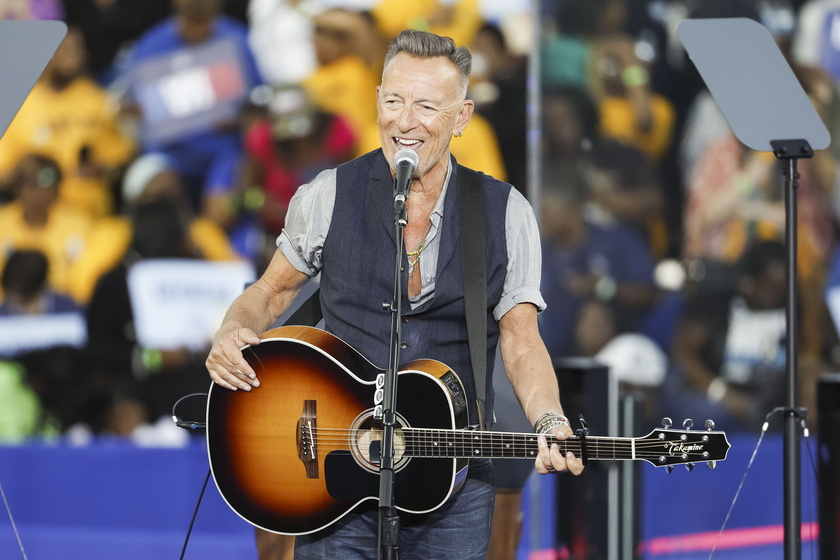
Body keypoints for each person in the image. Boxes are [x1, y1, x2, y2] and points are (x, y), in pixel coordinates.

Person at [205, 29, 584, 558]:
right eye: (394, 101)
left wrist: (549, 419)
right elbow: (268, 292)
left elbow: (522, 342)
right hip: (338, 468)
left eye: (427, 106)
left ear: (462, 117)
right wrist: (231, 329)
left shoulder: (504, 211)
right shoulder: (328, 194)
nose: (405, 121)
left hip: (452, 479)